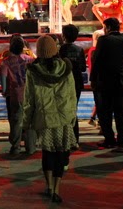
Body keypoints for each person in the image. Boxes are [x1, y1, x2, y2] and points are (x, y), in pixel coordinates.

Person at [22, 35, 77, 204]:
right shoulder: (66, 68)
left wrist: (26, 122)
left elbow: (29, 99)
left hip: (44, 118)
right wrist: (72, 116)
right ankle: (57, 189)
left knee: (48, 154)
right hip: (64, 118)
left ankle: (50, 187)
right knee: (60, 153)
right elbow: (72, 94)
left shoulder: (33, 71)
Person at [90, 17, 123, 149]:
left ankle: (109, 139)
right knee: (120, 111)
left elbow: (97, 60)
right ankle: (122, 139)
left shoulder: (104, 40)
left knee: (104, 111)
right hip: (121, 79)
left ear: (108, 28)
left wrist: (93, 79)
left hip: (105, 80)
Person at [0, 34, 36, 155]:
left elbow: (3, 79)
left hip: (15, 95)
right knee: (30, 120)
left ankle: (15, 147)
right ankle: (31, 147)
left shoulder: (6, 62)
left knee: (16, 121)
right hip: (30, 94)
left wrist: (5, 91)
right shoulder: (30, 60)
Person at [59, 24, 86, 144]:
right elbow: (83, 68)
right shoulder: (79, 50)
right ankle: (75, 139)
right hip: (77, 82)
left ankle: (66, 138)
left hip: (64, 82)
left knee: (64, 110)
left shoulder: (61, 49)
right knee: (73, 109)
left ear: (64, 36)